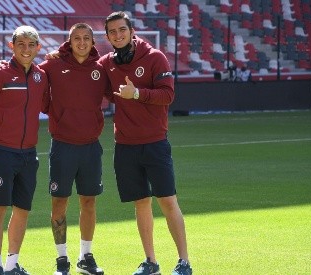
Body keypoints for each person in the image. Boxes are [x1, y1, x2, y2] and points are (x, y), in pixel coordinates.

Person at [99, 12, 193, 275]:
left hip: (154, 143)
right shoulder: (107, 63)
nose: (118, 35)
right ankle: (150, 262)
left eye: (122, 30)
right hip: (125, 145)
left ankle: (184, 262)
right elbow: (89, 74)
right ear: (108, 37)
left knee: (167, 201)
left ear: (131, 31)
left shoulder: (154, 57)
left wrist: (136, 93)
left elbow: (168, 95)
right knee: (140, 203)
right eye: (112, 32)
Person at [0, 25, 49, 275]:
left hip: (29, 154)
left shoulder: (41, 76)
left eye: (31, 45)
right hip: (2, 153)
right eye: (21, 44)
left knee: (22, 210)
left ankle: (12, 264)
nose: (25, 49)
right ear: (11, 47)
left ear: (38, 48)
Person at [39, 23, 111, 275]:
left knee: (89, 202)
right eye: (76, 38)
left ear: (93, 42)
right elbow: (31, 79)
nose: (81, 43)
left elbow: (120, 93)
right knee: (59, 203)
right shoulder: (52, 65)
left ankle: (85, 257)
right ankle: (61, 260)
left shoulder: (101, 69)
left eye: (86, 38)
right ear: (69, 42)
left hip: (91, 148)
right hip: (63, 147)